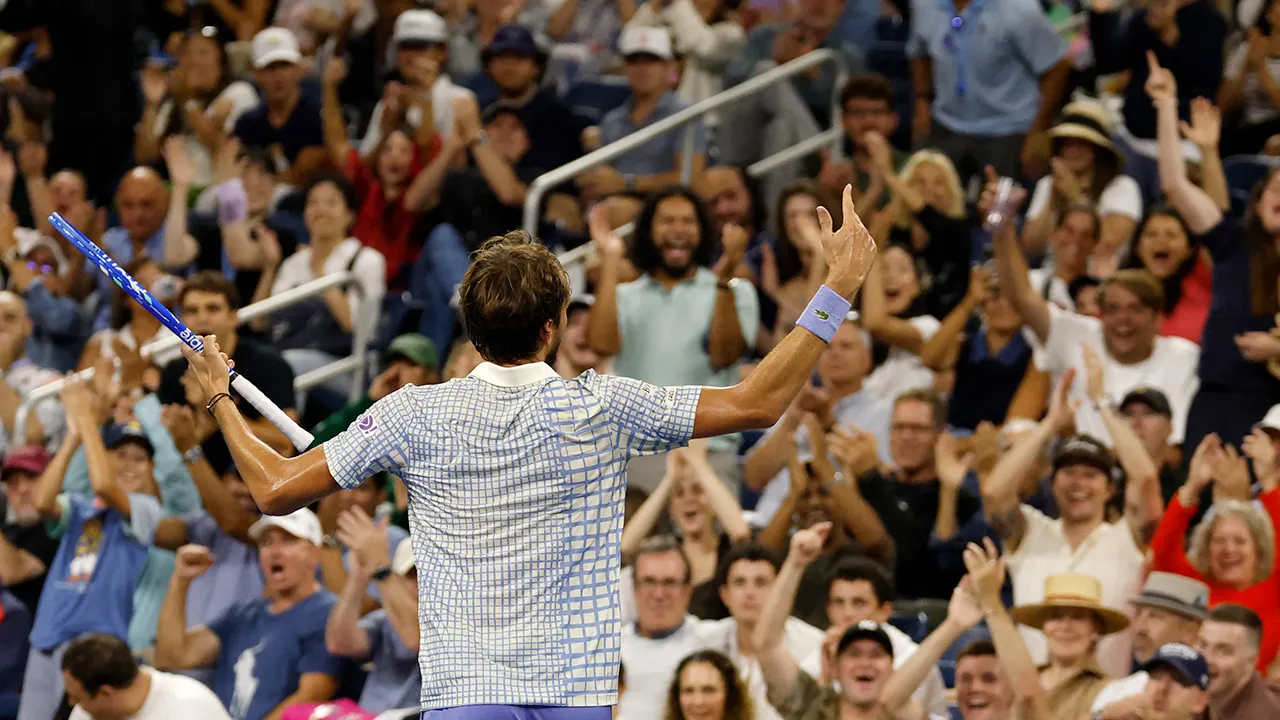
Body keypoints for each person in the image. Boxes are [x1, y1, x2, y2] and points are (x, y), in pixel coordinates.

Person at [177, 186, 878, 715]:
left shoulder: (412, 414)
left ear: (474, 331)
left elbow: (272, 487)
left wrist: (218, 400)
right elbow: (757, 399)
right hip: (576, 691)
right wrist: (838, 286)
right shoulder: (603, 405)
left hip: (467, 693)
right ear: (554, 326)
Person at [62, 632, 230, 720]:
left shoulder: (187, 708)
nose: (72, 703)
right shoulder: (90, 713)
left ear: (106, 692)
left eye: (77, 698)